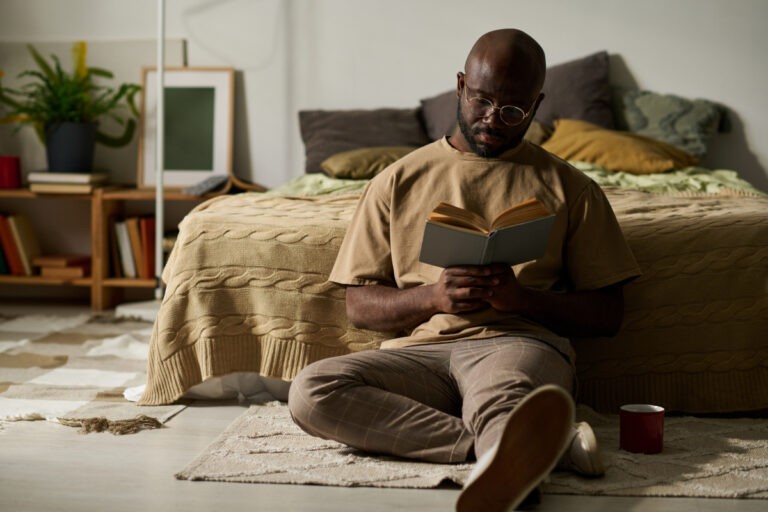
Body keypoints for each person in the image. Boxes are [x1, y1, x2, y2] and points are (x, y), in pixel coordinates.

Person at [288, 28, 641, 512]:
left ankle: (511, 469)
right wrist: (431, 298)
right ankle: (513, 450)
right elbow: (358, 306)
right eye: (482, 101)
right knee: (311, 391)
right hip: (422, 354)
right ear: (460, 85)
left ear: (537, 105)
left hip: (516, 345)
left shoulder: (571, 188)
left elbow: (609, 314)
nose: (494, 119)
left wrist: (523, 301)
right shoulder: (396, 180)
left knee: (505, 399)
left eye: (513, 109)